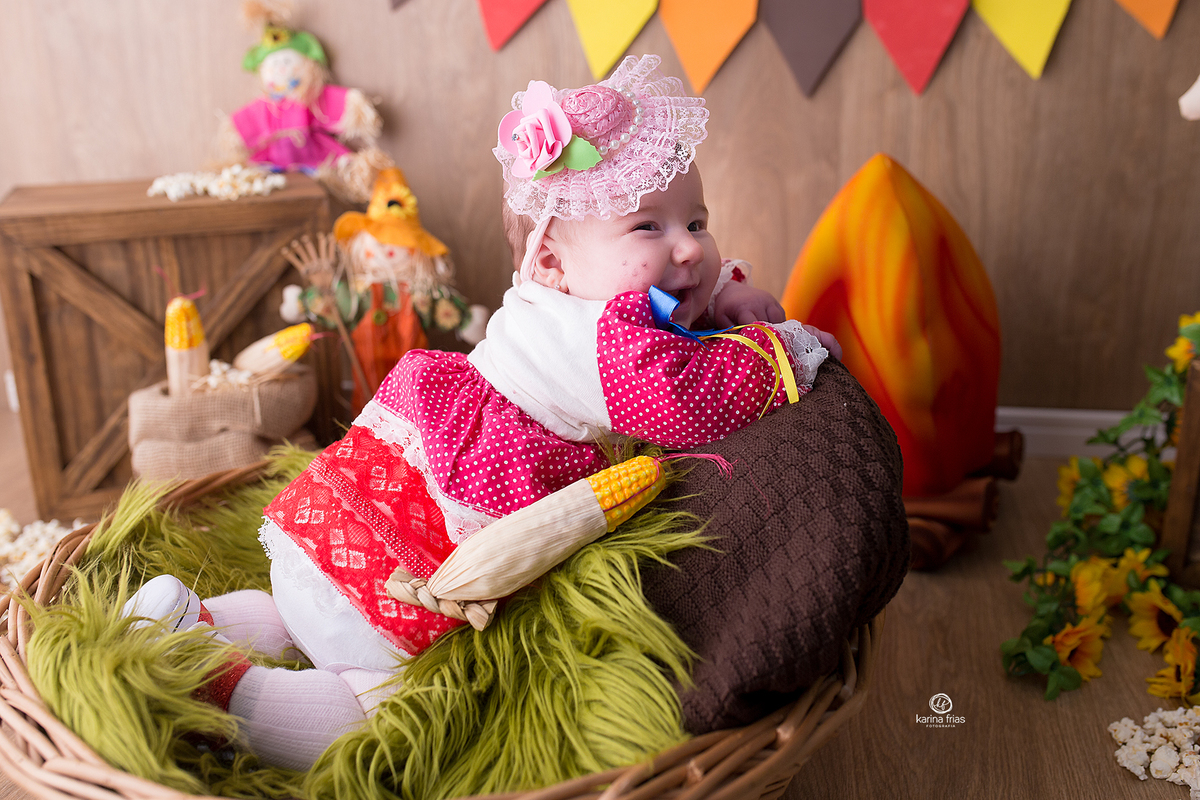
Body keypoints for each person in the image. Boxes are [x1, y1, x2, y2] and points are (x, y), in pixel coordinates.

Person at [123, 54, 840, 771]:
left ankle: (196, 622)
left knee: (303, 611)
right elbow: (688, 394)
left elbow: (675, 314)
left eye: (698, 220)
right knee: (384, 706)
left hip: (334, 528)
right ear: (552, 262)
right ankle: (235, 697)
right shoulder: (603, 341)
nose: (689, 246)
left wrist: (729, 292)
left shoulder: (571, 300)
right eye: (648, 227)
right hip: (421, 541)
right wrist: (786, 344)